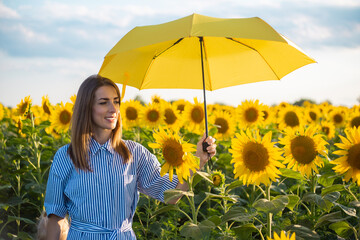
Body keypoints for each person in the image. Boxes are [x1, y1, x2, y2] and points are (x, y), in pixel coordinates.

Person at [44, 74, 216, 239]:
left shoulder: (135, 153)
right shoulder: (66, 156)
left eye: (116, 102)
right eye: (104, 103)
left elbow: (171, 194)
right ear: (86, 108)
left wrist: (198, 160)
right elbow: (55, 216)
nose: (113, 109)